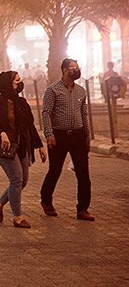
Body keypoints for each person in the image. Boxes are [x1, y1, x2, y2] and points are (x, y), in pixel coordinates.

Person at [0, 71, 47, 229]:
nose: (20, 84)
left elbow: (29, 127)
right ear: (8, 84)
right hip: (6, 148)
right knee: (16, 180)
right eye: (17, 81)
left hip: (22, 146)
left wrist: (39, 146)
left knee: (22, 181)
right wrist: (2, 133)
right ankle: (17, 217)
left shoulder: (22, 103)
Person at [39, 58, 94, 221]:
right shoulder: (53, 90)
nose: (76, 71)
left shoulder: (81, 91)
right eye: (72, 68)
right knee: (55, 170)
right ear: (64, 70)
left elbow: (84, 114)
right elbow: (46, 113)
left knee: (83, 173)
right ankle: (46, 200)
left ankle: (83, 209)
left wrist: (87, 136)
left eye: (77, 68)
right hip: (59, 136)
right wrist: (49, 135)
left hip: (78, 135)